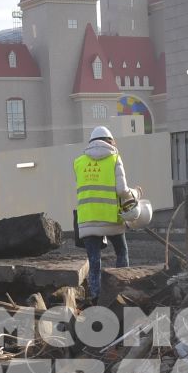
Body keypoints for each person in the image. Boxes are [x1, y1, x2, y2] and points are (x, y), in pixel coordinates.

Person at [73, 125, 131, 303]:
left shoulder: (79, 162)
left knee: (94, 260)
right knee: (121, 251)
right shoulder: (114, 158)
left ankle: (96, 295)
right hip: (111, 216)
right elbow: (122, 190)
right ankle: (121, 288)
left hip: (87, 218)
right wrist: (135, 193)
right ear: (109, 141)